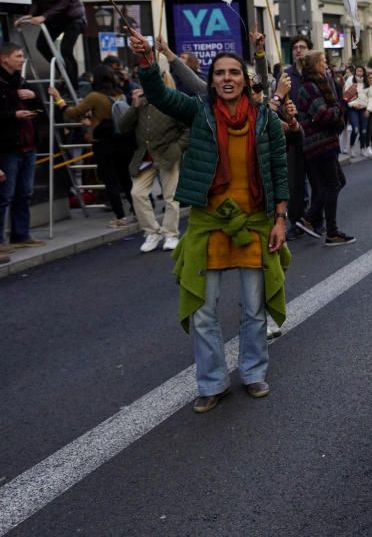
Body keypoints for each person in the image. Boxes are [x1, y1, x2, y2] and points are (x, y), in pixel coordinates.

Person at [126, 29, 290, 412]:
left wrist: (280, 219)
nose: (227, 79)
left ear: (245, 81)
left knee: (254, 308)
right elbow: (161, 96)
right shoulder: (198, 111)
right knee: (203, 310)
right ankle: (212, 382)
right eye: (220, 73)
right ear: (212, 80)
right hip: (208, 221)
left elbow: (280, 170)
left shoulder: (265, 119)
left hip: (253, 222)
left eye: (234, 72)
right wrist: (148, 61)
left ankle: (252, 373)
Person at [51, 64, 135, 227]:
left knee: (110, 181)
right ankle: (137, 211)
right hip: (122, 142)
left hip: (103, 144)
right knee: (126, 179)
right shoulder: (120, 95)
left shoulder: (95, 97)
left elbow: (72, 113)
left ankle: (120, 216)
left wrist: (59, 100)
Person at [119, 70, 190, 252]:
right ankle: (152, 231)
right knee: (137, 193)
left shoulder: (173, 102)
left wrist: (176, 148)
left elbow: (188, 129)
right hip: (145, 157)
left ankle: (171, 234)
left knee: (171, 197)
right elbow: (123, 127)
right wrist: (134, 107)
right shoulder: (141, 103)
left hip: (168, 155)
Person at [295, 51, 354, 246]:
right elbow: (323, 115)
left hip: (326, 142)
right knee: (333, 184)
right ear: (314, 65)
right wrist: (344, 101)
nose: (325, 64)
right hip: (318, 144)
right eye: (322, 61)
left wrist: (341, 103)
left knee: (335, 183)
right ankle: (331, 232)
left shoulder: (321, 83)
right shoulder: (309, 87)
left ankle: (309, 219)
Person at [14, 0, 86, 86]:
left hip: (72, 16)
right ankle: (63, 73)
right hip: (55, 17)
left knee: (66, 49)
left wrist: (44, 16)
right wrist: (31, 14)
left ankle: (73, 86)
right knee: (41, 45)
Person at [0, 43, 45, 255]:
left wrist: (34, 97)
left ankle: (21, 234)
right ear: (4, 59)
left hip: (28, 145)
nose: (22, 59)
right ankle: (1, 240)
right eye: (18, 56)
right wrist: (13, 115)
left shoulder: (22, 81)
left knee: (25, 193)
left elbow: (41, 111)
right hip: (8, 147)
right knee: (4, 195)